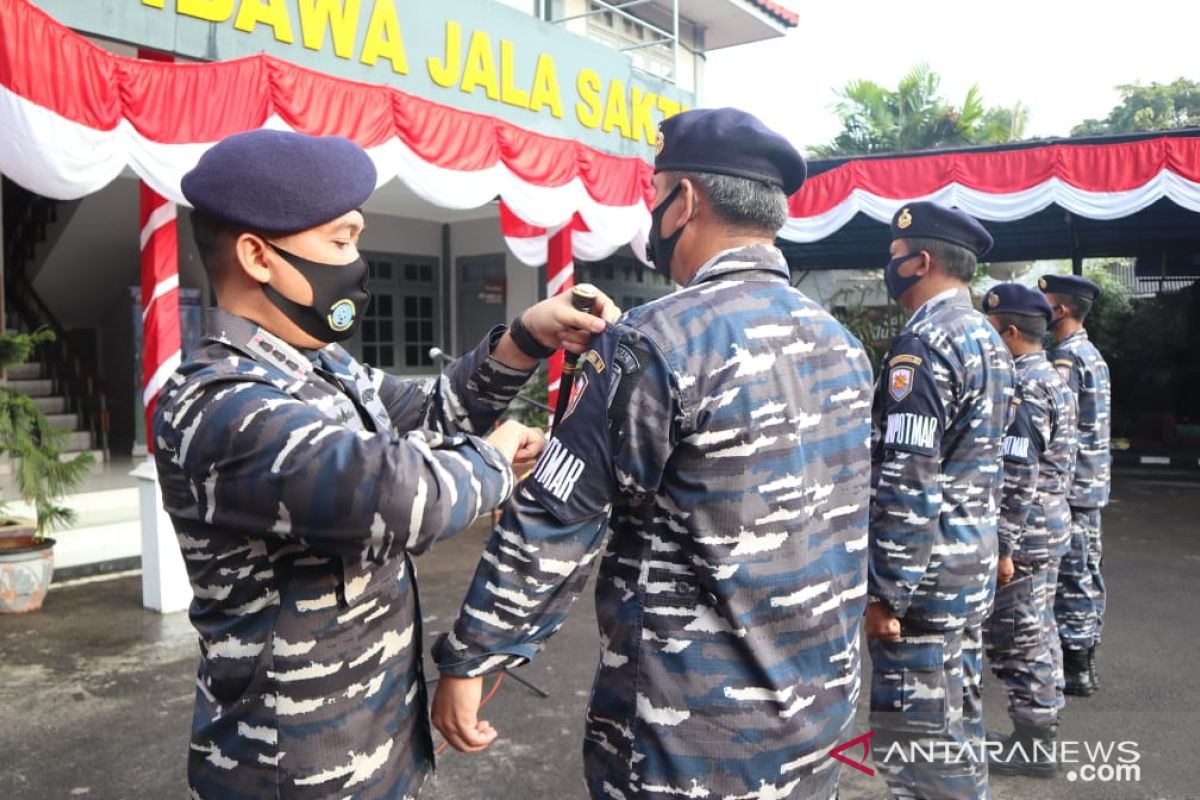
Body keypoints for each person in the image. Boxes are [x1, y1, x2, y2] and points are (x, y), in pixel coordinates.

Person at [153, 129, 618, 799]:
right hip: (291, 767)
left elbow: (431, 412)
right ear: (257, 255)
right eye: (342, 241)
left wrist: (524, 339)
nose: (356, 260)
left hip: (378, 739)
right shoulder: (218, 403)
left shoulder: (320, 364)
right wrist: (493, 460)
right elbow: (397, 498)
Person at [431, 108, 874, 799]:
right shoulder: (839, 343)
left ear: (685, 201)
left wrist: (472, 657)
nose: (650, 212)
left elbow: (557, 520)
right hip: (817, 715)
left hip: (689, 739)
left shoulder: (656, 339)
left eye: (653, 195)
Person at [865, 202, 1015, 800]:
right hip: (967, 566)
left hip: (923, 586)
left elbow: (908, 477)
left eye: (895, 258)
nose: (890, 267)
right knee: (955, 727)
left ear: (921, 261)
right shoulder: (988, 338)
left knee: (920, 754)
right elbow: (990, 462)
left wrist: (885, 592)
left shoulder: (923, 347)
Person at [980, 284, 1078, 778]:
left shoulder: (1025, 386)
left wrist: (1003, 546)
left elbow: (1017, 473)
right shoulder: (1051, 378)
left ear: (1012, 333)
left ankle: (1034, 747)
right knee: (1039, 630)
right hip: (1046, 524)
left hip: (1026, 531)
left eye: (992, 331)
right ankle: (1039, 732)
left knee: (1020, 637)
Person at [1040, 274, 1111, 695]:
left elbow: (1059, 428)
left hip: (1072, 487)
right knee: (1085, 570)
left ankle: (1077, 667)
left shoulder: (1066, 360)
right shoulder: (1091, 354)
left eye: (1045, 301)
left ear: (1061, 310)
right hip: (1088, 483)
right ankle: (1082, 659)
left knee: (1074, 575)